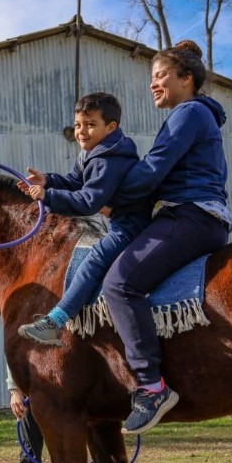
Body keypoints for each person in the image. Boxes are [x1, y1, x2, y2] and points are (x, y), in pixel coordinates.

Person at [102, 40, 232, 435]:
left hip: (190, 215)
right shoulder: (193, 114)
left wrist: (106, 196)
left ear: (186, 79)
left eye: (160, 75)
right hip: (196, 215)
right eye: (151, 77)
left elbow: (152, 170)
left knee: (119, 284)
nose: (153, 84)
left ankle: (152, 386)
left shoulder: (189, 112)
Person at [17, 91, 151, 345]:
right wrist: (50, 180)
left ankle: (56, 320)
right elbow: (75, 181)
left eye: (91, 125)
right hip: (120, 221)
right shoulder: (92, 152)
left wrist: (47, 196)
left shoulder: (108, 161)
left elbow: (89, 201)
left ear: (111, 128)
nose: (81, 132)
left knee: (95, 260)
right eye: (78, 125)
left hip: (132, 225)